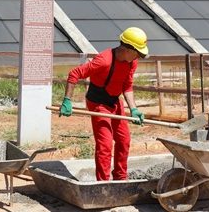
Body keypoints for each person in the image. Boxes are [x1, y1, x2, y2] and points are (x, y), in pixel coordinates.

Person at [58, 27, 147, 181]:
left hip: (114, 101)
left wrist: (134, 109)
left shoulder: (132, 62)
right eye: (137, 52)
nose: (139, 55)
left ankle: (120, 179)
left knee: (123, 140)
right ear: (127, 48)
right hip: (98, 103)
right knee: (105, 145)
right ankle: (103, 184)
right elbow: (74, 74)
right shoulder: (104, 60)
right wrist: (67, 100)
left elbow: (127, 85)